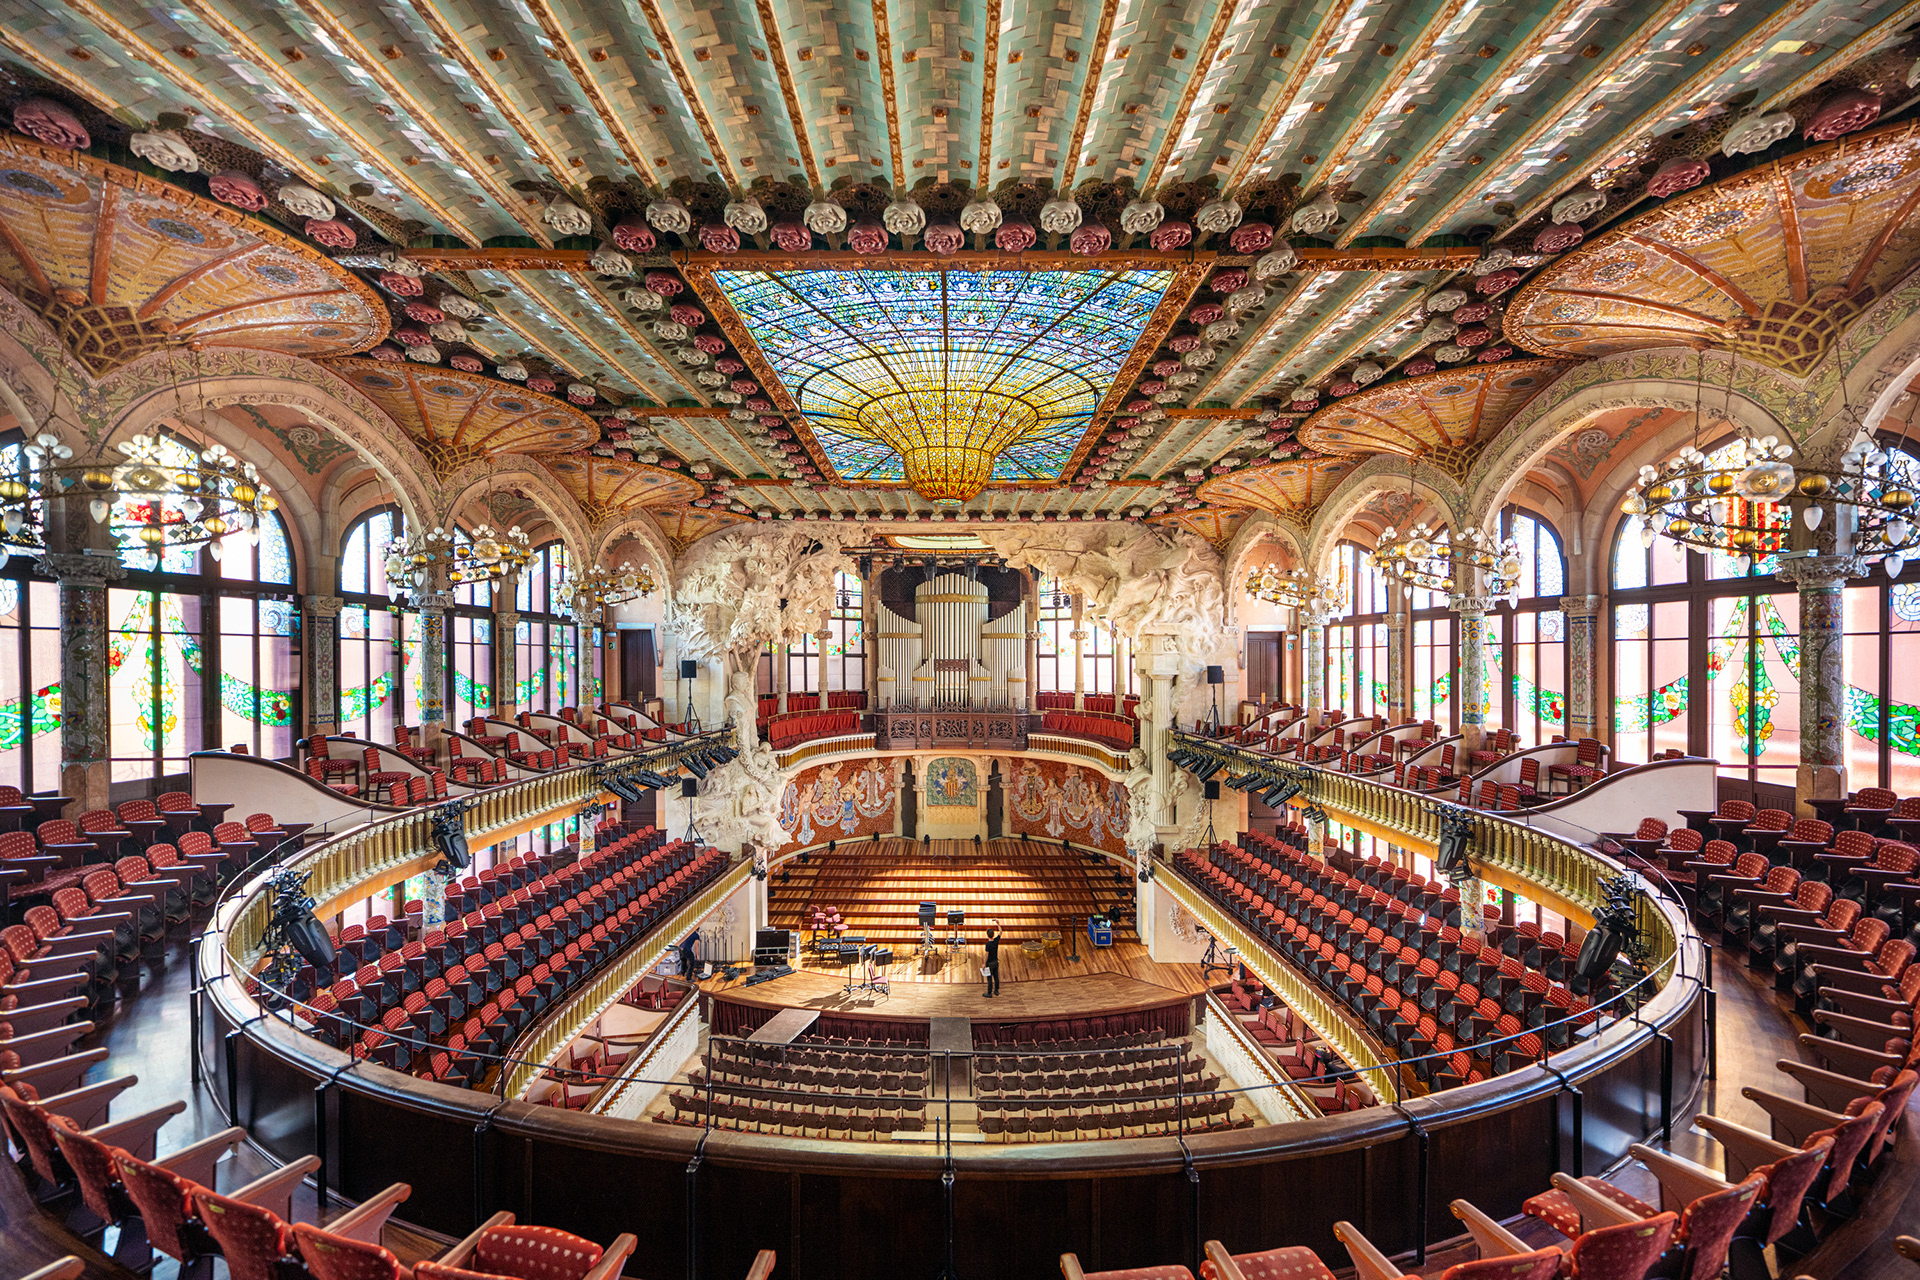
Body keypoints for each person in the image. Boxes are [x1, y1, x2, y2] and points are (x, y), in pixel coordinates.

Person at [983, 920, 1002, 998]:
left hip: (989, 963)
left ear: (987, 935)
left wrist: (984, 964)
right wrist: (998, 924)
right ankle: (996, 990)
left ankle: (989, 993)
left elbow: (986, 955)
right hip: (995, 962)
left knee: (989, 978)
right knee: (996, 976)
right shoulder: (996, 941)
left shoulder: (988, 944)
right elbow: (1001, 932)